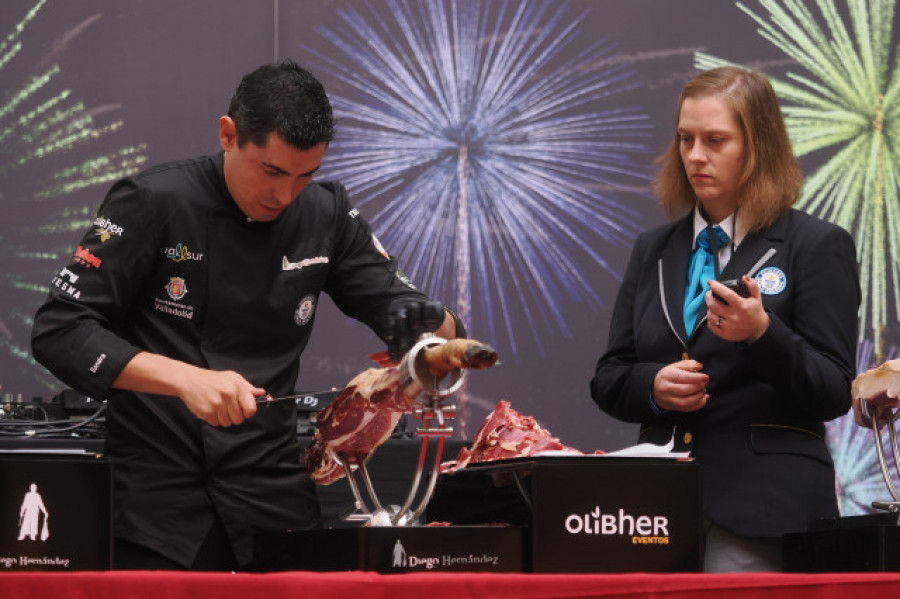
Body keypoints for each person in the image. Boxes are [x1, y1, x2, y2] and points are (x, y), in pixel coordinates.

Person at [30, 60, 463, 571]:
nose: (284, 195)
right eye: (273, 171)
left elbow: (413, 314)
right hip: (155, 504)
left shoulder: (326, 212)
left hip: (272, 497)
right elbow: (60, 330)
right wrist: (185, 379)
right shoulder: (153, 200)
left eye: (305, 177)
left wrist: (428, 335)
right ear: (228, 135)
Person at [590, 67, 859, 572]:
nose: (694, 156)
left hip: (763, 513)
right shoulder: (654, 249)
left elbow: (833, 391)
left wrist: (762, 335)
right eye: (685, 139)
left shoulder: (817, 245)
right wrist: (653, 385)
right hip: (653, 513)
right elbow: (609, 378)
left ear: (758, 149)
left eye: (715, 140)